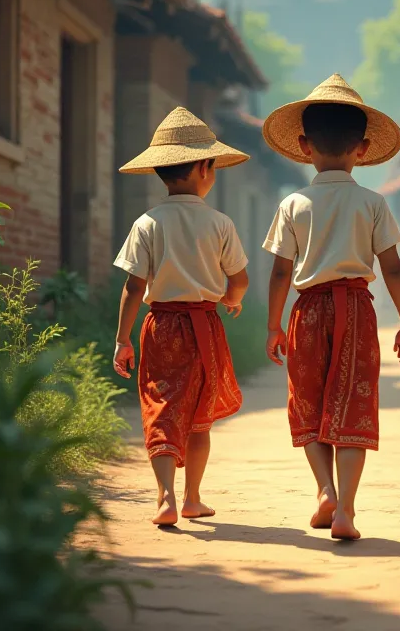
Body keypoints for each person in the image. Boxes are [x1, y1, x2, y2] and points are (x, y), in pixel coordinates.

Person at [261, 74, 400, 541]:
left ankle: (325, 489)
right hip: (356, 309)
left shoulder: (294, 204)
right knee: (354, 405)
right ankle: (346, 509)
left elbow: (279, 274)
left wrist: (273, 326)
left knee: (307, 403)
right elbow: (393, 269)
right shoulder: (372, 202)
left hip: (307, 312)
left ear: (305, 146)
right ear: (363, 149)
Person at [112, 106, 250, 527]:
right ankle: (193, 498)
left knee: (161, 406)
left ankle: (165, 497)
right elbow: (240, 279)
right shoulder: (220, 223)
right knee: (197, 417)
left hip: (160, 328)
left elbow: (134, 287)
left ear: (160, 172)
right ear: (205, 169)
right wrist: (230, 298)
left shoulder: (147, 222)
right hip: (205, 326)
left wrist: (123, 339)